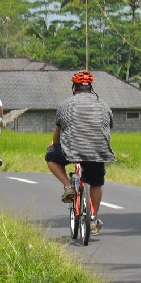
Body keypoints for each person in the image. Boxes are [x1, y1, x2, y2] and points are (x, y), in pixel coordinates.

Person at [45, 71, 116, 234]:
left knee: (51, 157)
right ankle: (93, 219)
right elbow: (108, 127)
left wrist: (55, 144)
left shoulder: (65, 105)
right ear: (91, 88)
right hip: (98, 151)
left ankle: (68, 186)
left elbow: (58, 131)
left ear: (73, 88)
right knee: (96, 182)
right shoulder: (104, 105)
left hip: (71, 149)